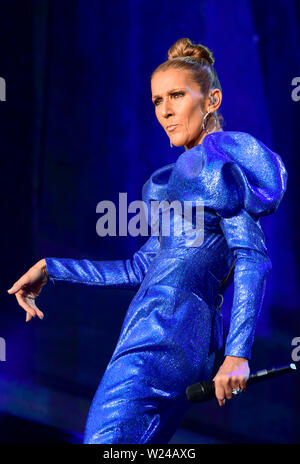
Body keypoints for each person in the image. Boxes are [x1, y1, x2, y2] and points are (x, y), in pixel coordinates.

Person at [7, 38, 287, 444]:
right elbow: (141, 267)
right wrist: (52, 268)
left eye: (176, 96)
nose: (165, 111)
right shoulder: (183, 177)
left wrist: (238, 353)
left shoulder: (217, 168)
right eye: (157, 101)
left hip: (164, 332)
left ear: (212, 100)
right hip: (174, 335)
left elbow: (252, 258)